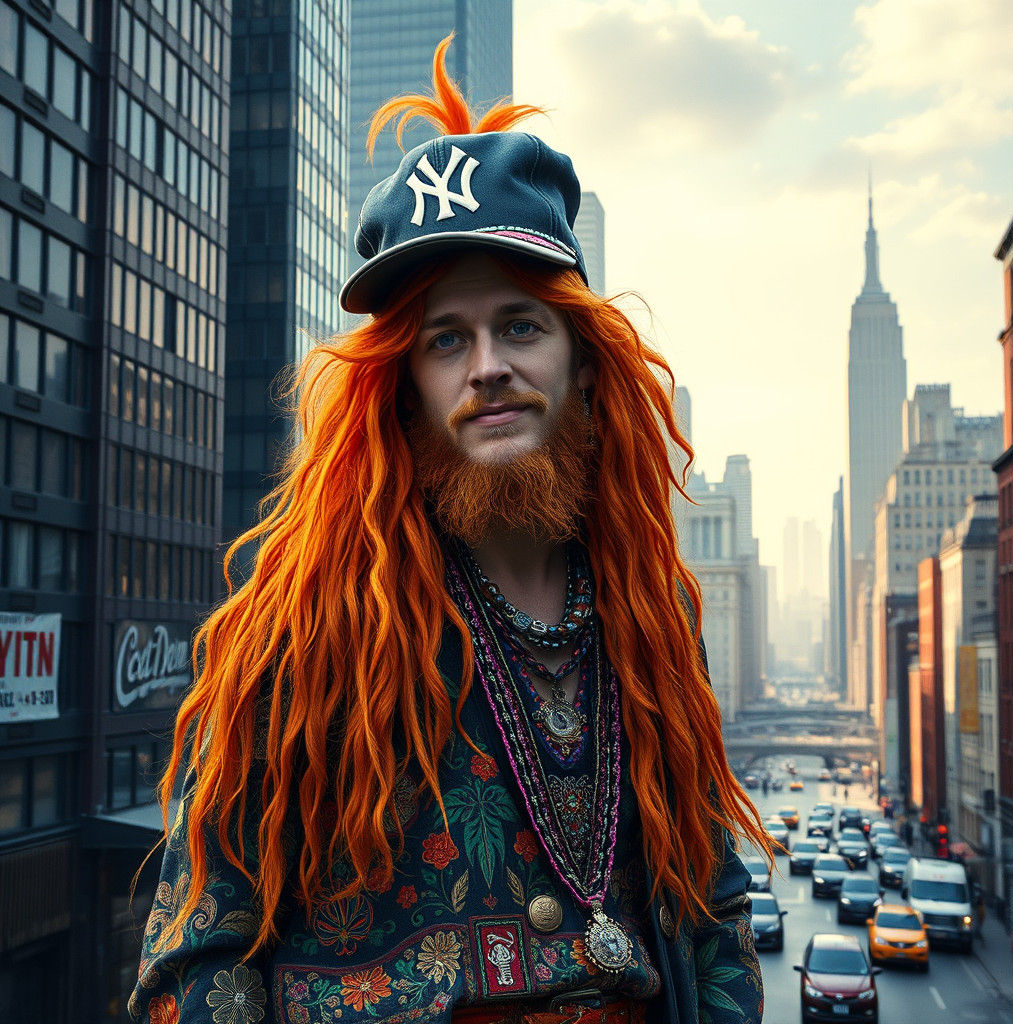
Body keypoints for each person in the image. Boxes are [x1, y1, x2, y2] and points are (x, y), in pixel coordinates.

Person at [130, 36, 769, 1024]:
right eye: (446, 339)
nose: (486, 367)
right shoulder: (298, 630)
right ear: (406, 390)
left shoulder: (653, 620)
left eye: (519, 325)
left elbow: (711, 916)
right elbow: (193, 962)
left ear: (583, 364)